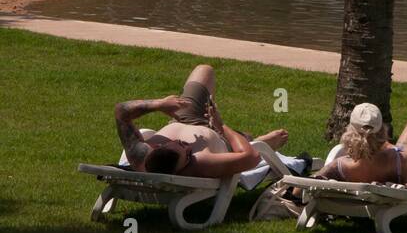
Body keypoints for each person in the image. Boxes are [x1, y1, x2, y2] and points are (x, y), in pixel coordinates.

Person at [113, 63, 290, 179]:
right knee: (247, 143)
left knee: (204, 70)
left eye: (179, 144)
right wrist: (221, 126)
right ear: (183, 167)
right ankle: (260, 141)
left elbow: (121, 111)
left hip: (183, 117)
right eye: (188, 154)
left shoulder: (140, 155)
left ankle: (249, 138)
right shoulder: (201, 164)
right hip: (217, 137)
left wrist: (160, 104)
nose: (188, 147)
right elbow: (250, 157)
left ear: (157, 148)